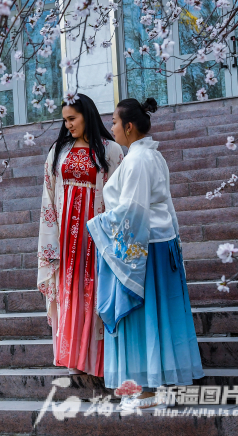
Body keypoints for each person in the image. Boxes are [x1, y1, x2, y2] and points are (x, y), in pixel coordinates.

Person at [86, 98, 204, 409]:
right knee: (157, 318)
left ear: (128, 126)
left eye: (114, 122)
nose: (111, 127)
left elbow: (132, 212)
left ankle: (148, 389)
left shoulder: (138, 161)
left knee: (143, 318)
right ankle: (152, 385)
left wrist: (97, 226)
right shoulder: (153, 157)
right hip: (158, 241)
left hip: (146, 247)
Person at [37, 93, 123, 377]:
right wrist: (51, 240)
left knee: (94, 293)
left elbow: (120, 197)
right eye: (65, 120)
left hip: (97, 236)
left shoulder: (111, 152)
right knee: (70, 293)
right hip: (66, 238)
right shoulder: (58, 152)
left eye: (72, 119)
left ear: (87, 115)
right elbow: (48, 197)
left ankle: (97, 360)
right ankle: (73, 357)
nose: (68, 125)